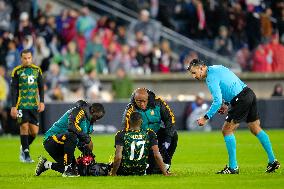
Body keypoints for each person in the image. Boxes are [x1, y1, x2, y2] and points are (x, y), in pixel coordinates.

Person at [185, 58, 280, 174]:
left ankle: (233, 167)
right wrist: (226, 104)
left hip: (240, 100)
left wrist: (205, 118)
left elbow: (217, 101)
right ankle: (272, 161)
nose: (194, 76)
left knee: (226, 130)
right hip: (249, 93)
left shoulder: (210, 78)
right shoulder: (218, 67)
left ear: (201, 68)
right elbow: (230, 84)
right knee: (255, 128)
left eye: (194, 73)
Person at [34, 100, 105, 177]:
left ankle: (45, 164)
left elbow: (81, 142)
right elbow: (71, 127)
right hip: (51, 140)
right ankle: (68, 170)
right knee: (72, 135)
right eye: (97, 116)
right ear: (92, 110)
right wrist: (87, 138)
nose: (97, 119)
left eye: (99, 118)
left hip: (64, 144)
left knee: (78, 170)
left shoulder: (89, 124)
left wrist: (88, 154)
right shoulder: (79, 111)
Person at [122, 88, 178, 173]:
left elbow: (170, 119)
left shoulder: (158, 103)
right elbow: (126, 130)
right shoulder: (130, 109)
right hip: (142, 138)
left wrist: (168, 138)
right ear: (134, 100)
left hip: (157, 134)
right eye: (139, 101)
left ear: (148, 98)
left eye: (144, 101)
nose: (142, 104)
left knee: (173, 135)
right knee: (153, 171)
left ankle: (166, 164)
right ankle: (150, 164)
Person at [10, 49, 45, 163]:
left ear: (32, 58)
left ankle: (24, 147)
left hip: (34, 105)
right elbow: (14, 90)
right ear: (21, 59)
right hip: (21, 104)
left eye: (29, 58)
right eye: (25, 58)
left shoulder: (37, 70)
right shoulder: (17, 71)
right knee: (24, 127)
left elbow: (41, 87)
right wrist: (13, 106)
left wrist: (42, 102)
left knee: (34, 132)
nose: (27, 60)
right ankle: (26, 154)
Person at [111, 112, 168, 176]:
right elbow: (157, 155)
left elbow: (118, 157)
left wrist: (113, 173)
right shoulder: (149, 134)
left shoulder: (121, 134)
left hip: (124, 171)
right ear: (141, 121)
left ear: (129, 121)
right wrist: (165, 173)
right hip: (141, 171)